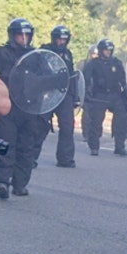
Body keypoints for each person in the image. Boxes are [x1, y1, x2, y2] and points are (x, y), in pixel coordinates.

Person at [0, 18, 49, 198]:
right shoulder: (0, 54)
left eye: (27, 35)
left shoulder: (37, 57)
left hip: (31, 109)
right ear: (11, 35)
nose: (23, 38)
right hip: (8, 108)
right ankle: (2, 181)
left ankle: (20, 184)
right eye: (19, 35)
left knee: (27, 148)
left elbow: (48, 79)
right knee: (4, 145)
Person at [83, 39, 127, 157]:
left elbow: (123, 80)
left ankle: (120, 146)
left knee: (121, 119)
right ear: (100, 50)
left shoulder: (116, 63)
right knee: (96, 122)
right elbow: (86, 80)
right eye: (105, 50)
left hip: (115, 95)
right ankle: (94, 147)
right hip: (99, 95)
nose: (108, 53)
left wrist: (123, 91)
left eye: (110, 50)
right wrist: (87, 95)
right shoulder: (93, 64)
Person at [41, 25, 80, 168]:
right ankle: (30, 157)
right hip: (47, 93)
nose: (61, 42)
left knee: (67, 126)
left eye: (64, 39)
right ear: (53, 38)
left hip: (64, 94)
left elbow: (71, 76)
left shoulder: (68, 54)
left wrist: (75, 96)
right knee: (39, 126)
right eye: (59, 39)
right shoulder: (44, 51)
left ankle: (65, 158)